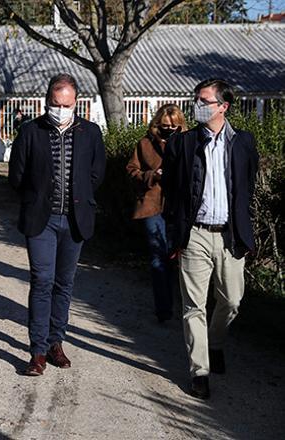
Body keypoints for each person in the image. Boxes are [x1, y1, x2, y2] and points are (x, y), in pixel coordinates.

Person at [162, 79, 259, 400]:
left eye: (204, 100)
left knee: (232, 301)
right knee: (193, 306)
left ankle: (215, 343)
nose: (197, 105)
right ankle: (199, 371)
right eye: (196, 99)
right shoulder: (183, 143)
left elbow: (247, 187)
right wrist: (174, 233)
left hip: (230, 235)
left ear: (223, 106)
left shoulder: (244, 143)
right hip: (195, 235)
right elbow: (172, 193)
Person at [9, 73, 106, 376]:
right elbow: (17, 175)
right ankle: (37, 351)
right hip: (42, 219)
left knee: (64, 284)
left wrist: (80, 197)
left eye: (66, 104)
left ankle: (56, 343)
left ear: (76, 103)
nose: (60, 109)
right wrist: (36, 197)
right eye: (55, 103)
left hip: (75, 220)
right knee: (42, 281)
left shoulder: (90, 132)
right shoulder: (31, 131)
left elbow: (96, 174)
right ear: (47, 101)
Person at [126, 104, 187, 323]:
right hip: (151, 205)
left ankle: (188, 306)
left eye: (173, 126)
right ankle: (164, 309)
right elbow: (132, 171)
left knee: (179, 256)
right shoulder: (144, 144)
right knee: (157, 257)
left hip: (179, 207)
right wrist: (153, 175)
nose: (169, 129)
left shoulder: (187, 143)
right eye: (165, 126)